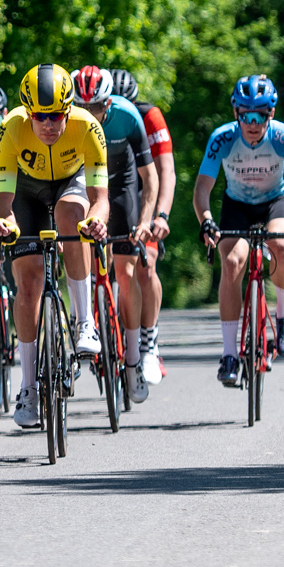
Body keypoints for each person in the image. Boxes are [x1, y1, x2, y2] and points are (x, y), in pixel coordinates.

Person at [0, 64, 109, 428]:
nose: (49, 125)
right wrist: (4, 223)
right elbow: (3, 201)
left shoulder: (88, 126)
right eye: (41, 117)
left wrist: (97, 219)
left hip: (72, 184)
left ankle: (85, 322)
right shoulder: (11, 129)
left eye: (57, 116)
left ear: (69, 111)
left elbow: (100, 197)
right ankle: (28, 387)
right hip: (27, 191)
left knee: (74, 216)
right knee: (29, 283)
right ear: (28, 112)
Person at [193, 73, 284, 385]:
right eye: (246, 115)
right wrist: (206, 220)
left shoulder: (283, 136)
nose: (253, 123)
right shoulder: (222, 138)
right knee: (232, 263)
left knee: (282, 245)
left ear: (270, 114)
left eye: (260, 116)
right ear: (236, 114)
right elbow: (202, 189)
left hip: (278, 200)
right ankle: (230, 353)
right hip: (238, 205)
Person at [72, 66, 158, 403]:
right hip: (82, 182)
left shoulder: (127, 116)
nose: (90, 114)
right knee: (83, 259)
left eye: (96, 108)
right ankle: (86, 327)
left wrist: (146, 221)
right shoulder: (67, 120)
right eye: (82, 107)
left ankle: (134, 360)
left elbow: (149, 178)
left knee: (125, 270)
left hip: (120, 185)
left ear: (109, 104)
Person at [110, 68, 175, 387]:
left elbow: (166, 172)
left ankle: (149, 344)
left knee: (145, 269)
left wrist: (160, 216)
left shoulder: (150, 116)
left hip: (143, 194)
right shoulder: (98, 114)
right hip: (109, 190)